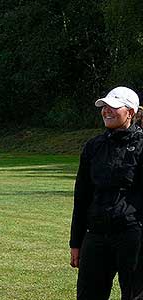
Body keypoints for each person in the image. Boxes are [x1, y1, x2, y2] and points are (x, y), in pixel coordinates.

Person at [69, 86, 143, 300]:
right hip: (96, 235)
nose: (106, 111)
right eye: (104, 106)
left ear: (130, 112)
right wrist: (76, 242)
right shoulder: (93, 147)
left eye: (114, 107)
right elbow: (81, 197)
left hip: (133, 236)